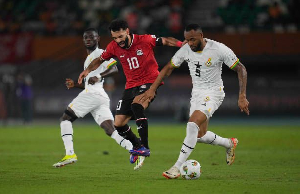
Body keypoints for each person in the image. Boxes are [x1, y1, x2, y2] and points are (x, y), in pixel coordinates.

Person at [138, 24, 249, 179]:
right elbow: (168, 68)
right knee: (199, 135)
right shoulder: (185, 49)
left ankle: (176, 167)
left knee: (192, 124)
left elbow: (241, 69)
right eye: (187, 40)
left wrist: (242, 95)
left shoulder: (218, 49)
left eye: (192, 39)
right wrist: (152, 89)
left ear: (201, 36)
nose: (189, 43)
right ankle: (229, 143)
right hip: (196, 94)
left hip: (213, 93)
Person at [78, 19, 183, 168]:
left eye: (120, 36)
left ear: (127, 31)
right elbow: (100, 59)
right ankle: (137, 146)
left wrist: (181, 45)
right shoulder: (113, 47)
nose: (118, 41)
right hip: (131, 86)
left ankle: (145, 147)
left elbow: (166, 40)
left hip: (150, 81)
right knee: (119, 123)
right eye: (115, 38)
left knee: (137, 105)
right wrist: (87, 70)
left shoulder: (145, 40)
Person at [53, 28, 133, 168]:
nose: (88, 39)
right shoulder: (88, 59)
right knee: (110, 129)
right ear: (83, 40)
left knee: (66, 119)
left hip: (94, 94)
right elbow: (89, 84)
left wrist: (99, 76)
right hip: (99, 95)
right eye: (86, 37)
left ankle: (70, 153)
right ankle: (133, 149)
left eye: (91, 37)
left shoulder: (100, 53)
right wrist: (75, 85)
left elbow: (114, 68)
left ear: (98, 39)